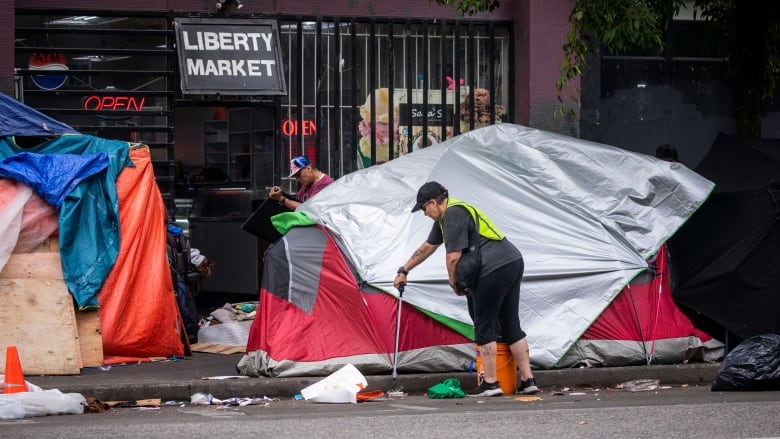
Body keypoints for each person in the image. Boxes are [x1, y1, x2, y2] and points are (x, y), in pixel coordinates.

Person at [393, 181, 539, 397]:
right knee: (510, 323)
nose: (424, 214)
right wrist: (404, 269)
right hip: (512, 261)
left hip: (491, 268)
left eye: (424, 208)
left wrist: (454, 283)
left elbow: (453, 257)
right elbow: (426, 248)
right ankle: (528, 381)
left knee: (484, 324)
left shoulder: (452, 215)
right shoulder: (452, 214)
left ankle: (490, 383)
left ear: (433, 202)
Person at [268, 156, 334, 210]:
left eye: (298, 175)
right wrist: (279, 195)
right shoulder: (306, 185)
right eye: (296, 177)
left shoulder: (326, 184)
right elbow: (297, 203)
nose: (298, 180)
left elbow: (310, 210)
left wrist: (281, 199)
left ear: (308, 169)